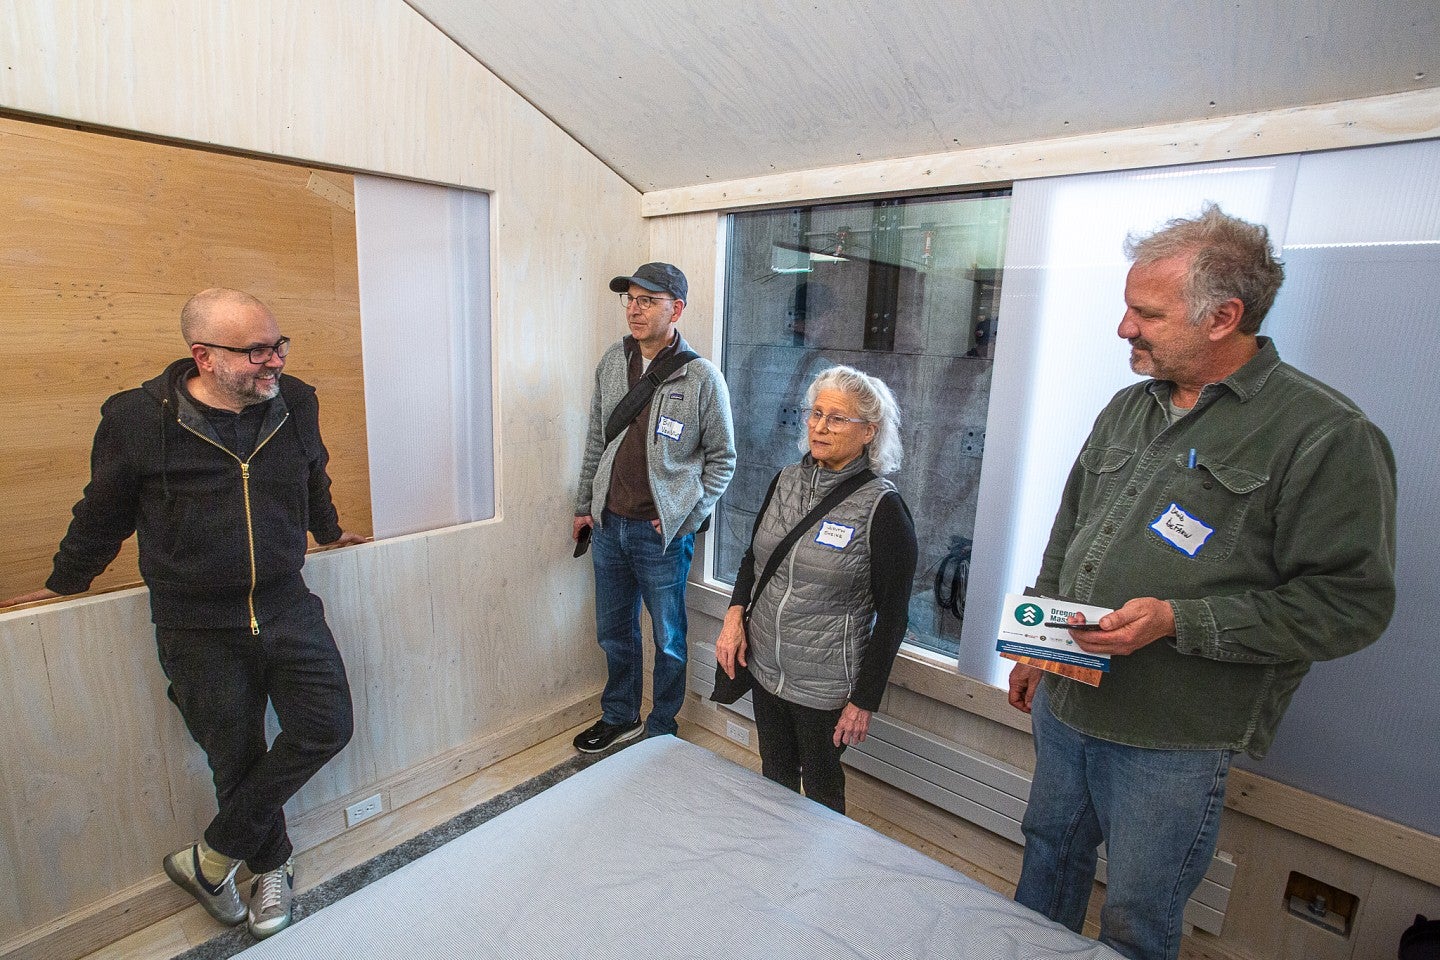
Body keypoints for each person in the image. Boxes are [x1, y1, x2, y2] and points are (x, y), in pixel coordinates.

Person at [1007, 205, 1397, 960]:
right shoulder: (1128, 409)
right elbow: (1069, 535)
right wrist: (1035, 642)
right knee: (1045, 861)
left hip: (1173, 737)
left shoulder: (1323, 435)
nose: (1124, 328)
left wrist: (1178, 621)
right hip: (1068, 700)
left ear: (1223, 316)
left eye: (1145, 313)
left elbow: (1351, 605)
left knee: (1137, 915)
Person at [1, 288, 364, 940]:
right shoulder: (137, 420)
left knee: (328, 725)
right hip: (196, 625)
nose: (273, 362)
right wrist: (63, 585)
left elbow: (315, 475)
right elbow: (101, 513)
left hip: (285, 603)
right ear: (203, 355)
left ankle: (209, 858)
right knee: (236, 757)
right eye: (255, 351)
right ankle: (270, 866)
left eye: (278, 345)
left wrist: (330, 531)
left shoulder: (296, 400)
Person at [715, 365, 918, 814]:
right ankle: (777, 869)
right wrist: (734, 615)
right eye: (816, 412)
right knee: (775, 778)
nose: (819, 426)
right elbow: (754, 558)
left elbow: (893, 619)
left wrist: (862, 701)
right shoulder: (785, 480)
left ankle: (822, 881)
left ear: (869, 431)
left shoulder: (882, 509)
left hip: (824, 686)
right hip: (766, 666)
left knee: (822, 793)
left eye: (837, 418)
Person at [571, 262, 736, 752]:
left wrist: (688, 515)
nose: (635, 310)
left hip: (659, 533)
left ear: (676, 309)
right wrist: (585, 504)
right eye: (631, 300)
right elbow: (595, 441)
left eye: (647, 301)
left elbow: (723, 460)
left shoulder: (701, 378)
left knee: (667, 636)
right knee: (614, 631)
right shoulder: (611, 363)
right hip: (608, 526)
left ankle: (662, 726)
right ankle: (619, 714)